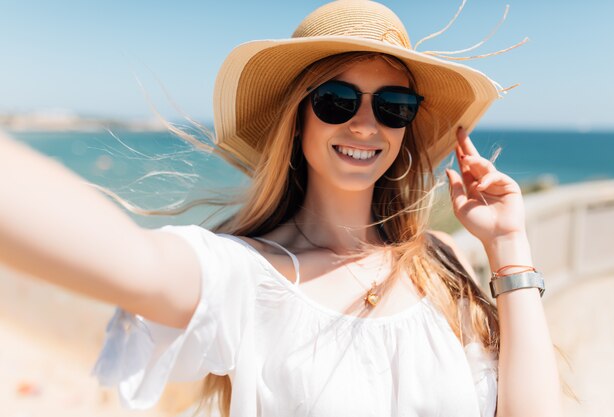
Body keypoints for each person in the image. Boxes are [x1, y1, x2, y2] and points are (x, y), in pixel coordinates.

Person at [0, 1, 563, 416]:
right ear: (298, 120)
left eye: (393, 106)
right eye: (336, 100)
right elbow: (130, 262)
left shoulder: (437, 266)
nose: (365, 123)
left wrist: (508, 247)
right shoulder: (247, 276)